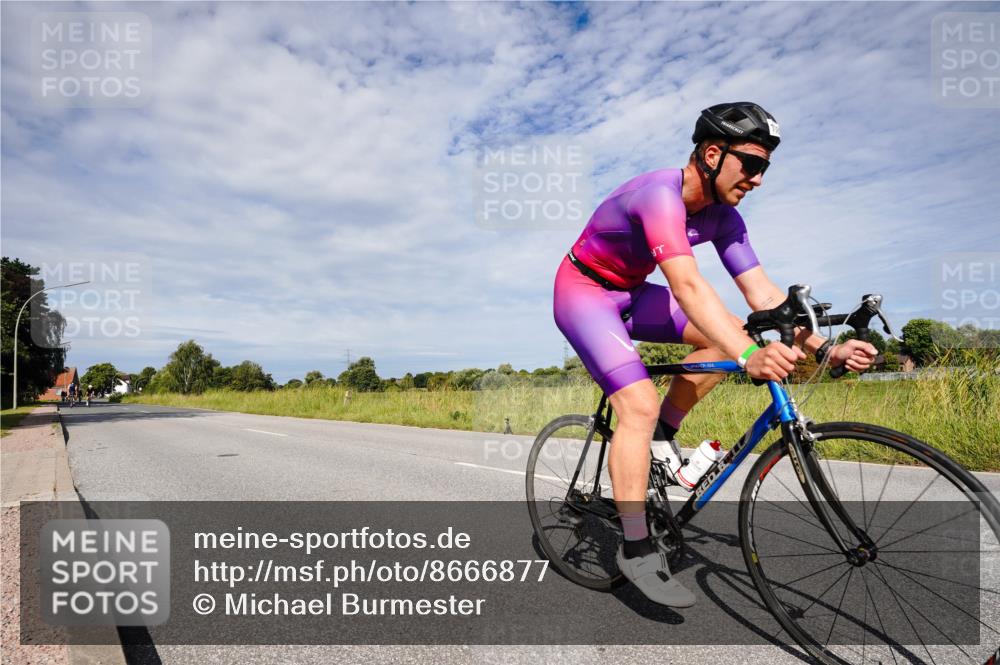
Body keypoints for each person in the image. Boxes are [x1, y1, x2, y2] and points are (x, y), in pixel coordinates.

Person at [553, 102, 878, 607]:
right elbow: (686, 286)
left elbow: (763, 297)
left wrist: (825, 348)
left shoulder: (725, 218)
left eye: (766, 167)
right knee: (636, 403)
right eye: (752, 164)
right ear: (711, 153)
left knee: (720, 332)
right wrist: (750, 354)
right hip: (585, 292)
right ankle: (636, 549)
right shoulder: (659, 196)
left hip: (634, 291)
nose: (759, 179)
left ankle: (663, 435)